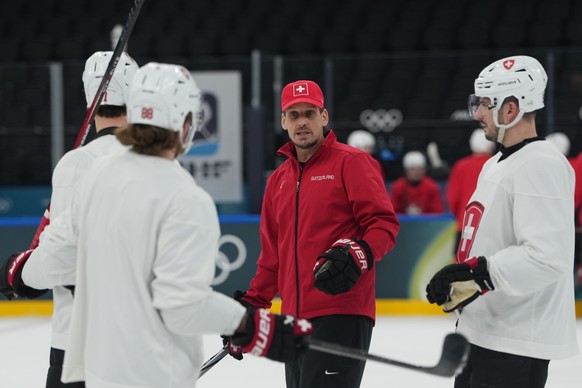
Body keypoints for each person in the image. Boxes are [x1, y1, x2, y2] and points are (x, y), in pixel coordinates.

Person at [1, 63, 313, 387]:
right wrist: (256, 327)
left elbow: (56, 256)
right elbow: (181, 305)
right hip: (152, 374)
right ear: (186, 122)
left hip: (92, 371)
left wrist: (16, 273)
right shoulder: (186, 198)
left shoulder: (95, 175)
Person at [230, 80, 400, 388]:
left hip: (342, 312)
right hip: (293, 321)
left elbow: (384, 224)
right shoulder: (278, 180)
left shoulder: (352, 162)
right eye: (293, 115)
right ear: (283, 121)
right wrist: (252, 307)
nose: (302, 122)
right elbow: (272, 257)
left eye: (309, 113)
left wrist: (358, 253)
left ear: (324, 117)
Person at [426, 55, 579, 388]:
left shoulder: (541, 165)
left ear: (511, 109)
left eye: (484, 104)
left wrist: (477, 273)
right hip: (485, 334)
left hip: (515, 343)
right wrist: (464, 281)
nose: (477, 113)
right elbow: (492, 244)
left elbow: (546, 255)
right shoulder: (496, 162)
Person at [0, 51, 138, 388]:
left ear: (89, 97)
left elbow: (62, 259)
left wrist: (18, 273)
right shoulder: (163, 165)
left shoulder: (77, 165)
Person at [446, 128, 495, 253]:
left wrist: (459, 216)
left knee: (461, 265)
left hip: (465, 224)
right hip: (490, 225)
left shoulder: (460, 166)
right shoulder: (496, 164)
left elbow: (452, 198)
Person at [390, 150, 444, 215]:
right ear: (406, 171)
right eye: (412, 169)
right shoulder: (398, 187)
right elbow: (392, 211)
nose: (417, 172)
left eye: (420, 169)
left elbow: (437, 212)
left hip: (427, 223)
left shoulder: (431, 186)